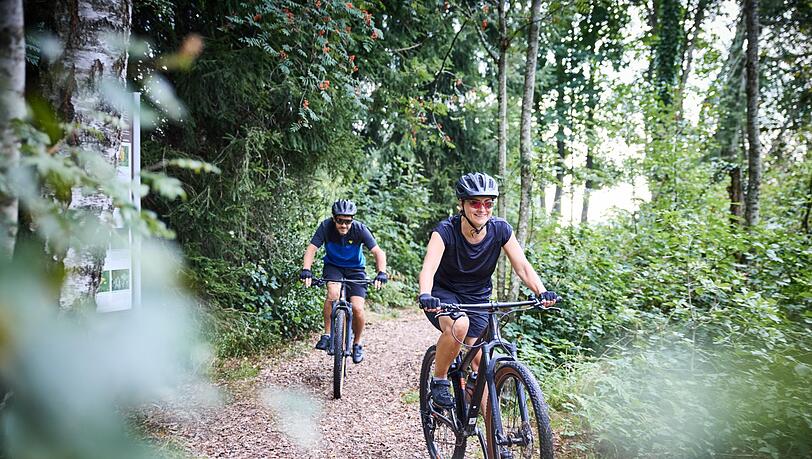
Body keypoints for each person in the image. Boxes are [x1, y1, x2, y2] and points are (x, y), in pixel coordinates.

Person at [417, 172, 559, 407]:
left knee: (481, 363)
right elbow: (429, 268)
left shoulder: (500, 229)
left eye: (488, 203)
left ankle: (493, 437)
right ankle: (440, 379)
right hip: (444, 293)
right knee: (459, 324)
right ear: (461, 204)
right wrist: (426, 295)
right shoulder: (445, 231)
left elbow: (522, 266)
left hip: (478, 297)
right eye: (475, 202)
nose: (482, 209)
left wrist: (541, 291)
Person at [300, 199, 387, 364]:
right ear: (334, 219)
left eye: (348, 221)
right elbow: (311, 249)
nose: (344, 225)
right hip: (334, 267)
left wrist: (381, 272)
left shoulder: (360, 229)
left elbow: (378, 252)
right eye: (340, 221)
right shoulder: (325, 227)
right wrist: (306, 270)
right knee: (333, 294)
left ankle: (357, 343)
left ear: (352, 220)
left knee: (358, 308)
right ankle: (327, 335)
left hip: (356, 270)